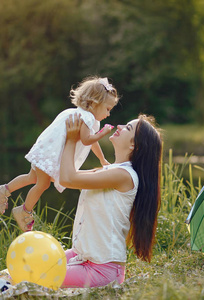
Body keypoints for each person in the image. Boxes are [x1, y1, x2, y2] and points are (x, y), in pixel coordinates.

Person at [0, 76, 119, 232]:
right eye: (107, 109)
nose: (108, 114)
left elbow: (91, 142)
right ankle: (24, 210)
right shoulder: (86, 117)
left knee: (32, 177)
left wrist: (102, 159)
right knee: (42, 184)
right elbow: (86, 140)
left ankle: (4, 189)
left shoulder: (81, 116)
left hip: (46, 150)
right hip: (50, 154)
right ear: (94, 103)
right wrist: (102, 133)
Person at [58, 113, 162, 288]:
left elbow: (68, 179)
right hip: (82, 255)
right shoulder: (110, 170)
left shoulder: (123, 176)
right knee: (27, 266)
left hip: (101, 269)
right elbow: (63, 177)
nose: (120, 126)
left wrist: (71, 139)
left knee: (38, 276)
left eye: (127, 128)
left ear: (133, 145)